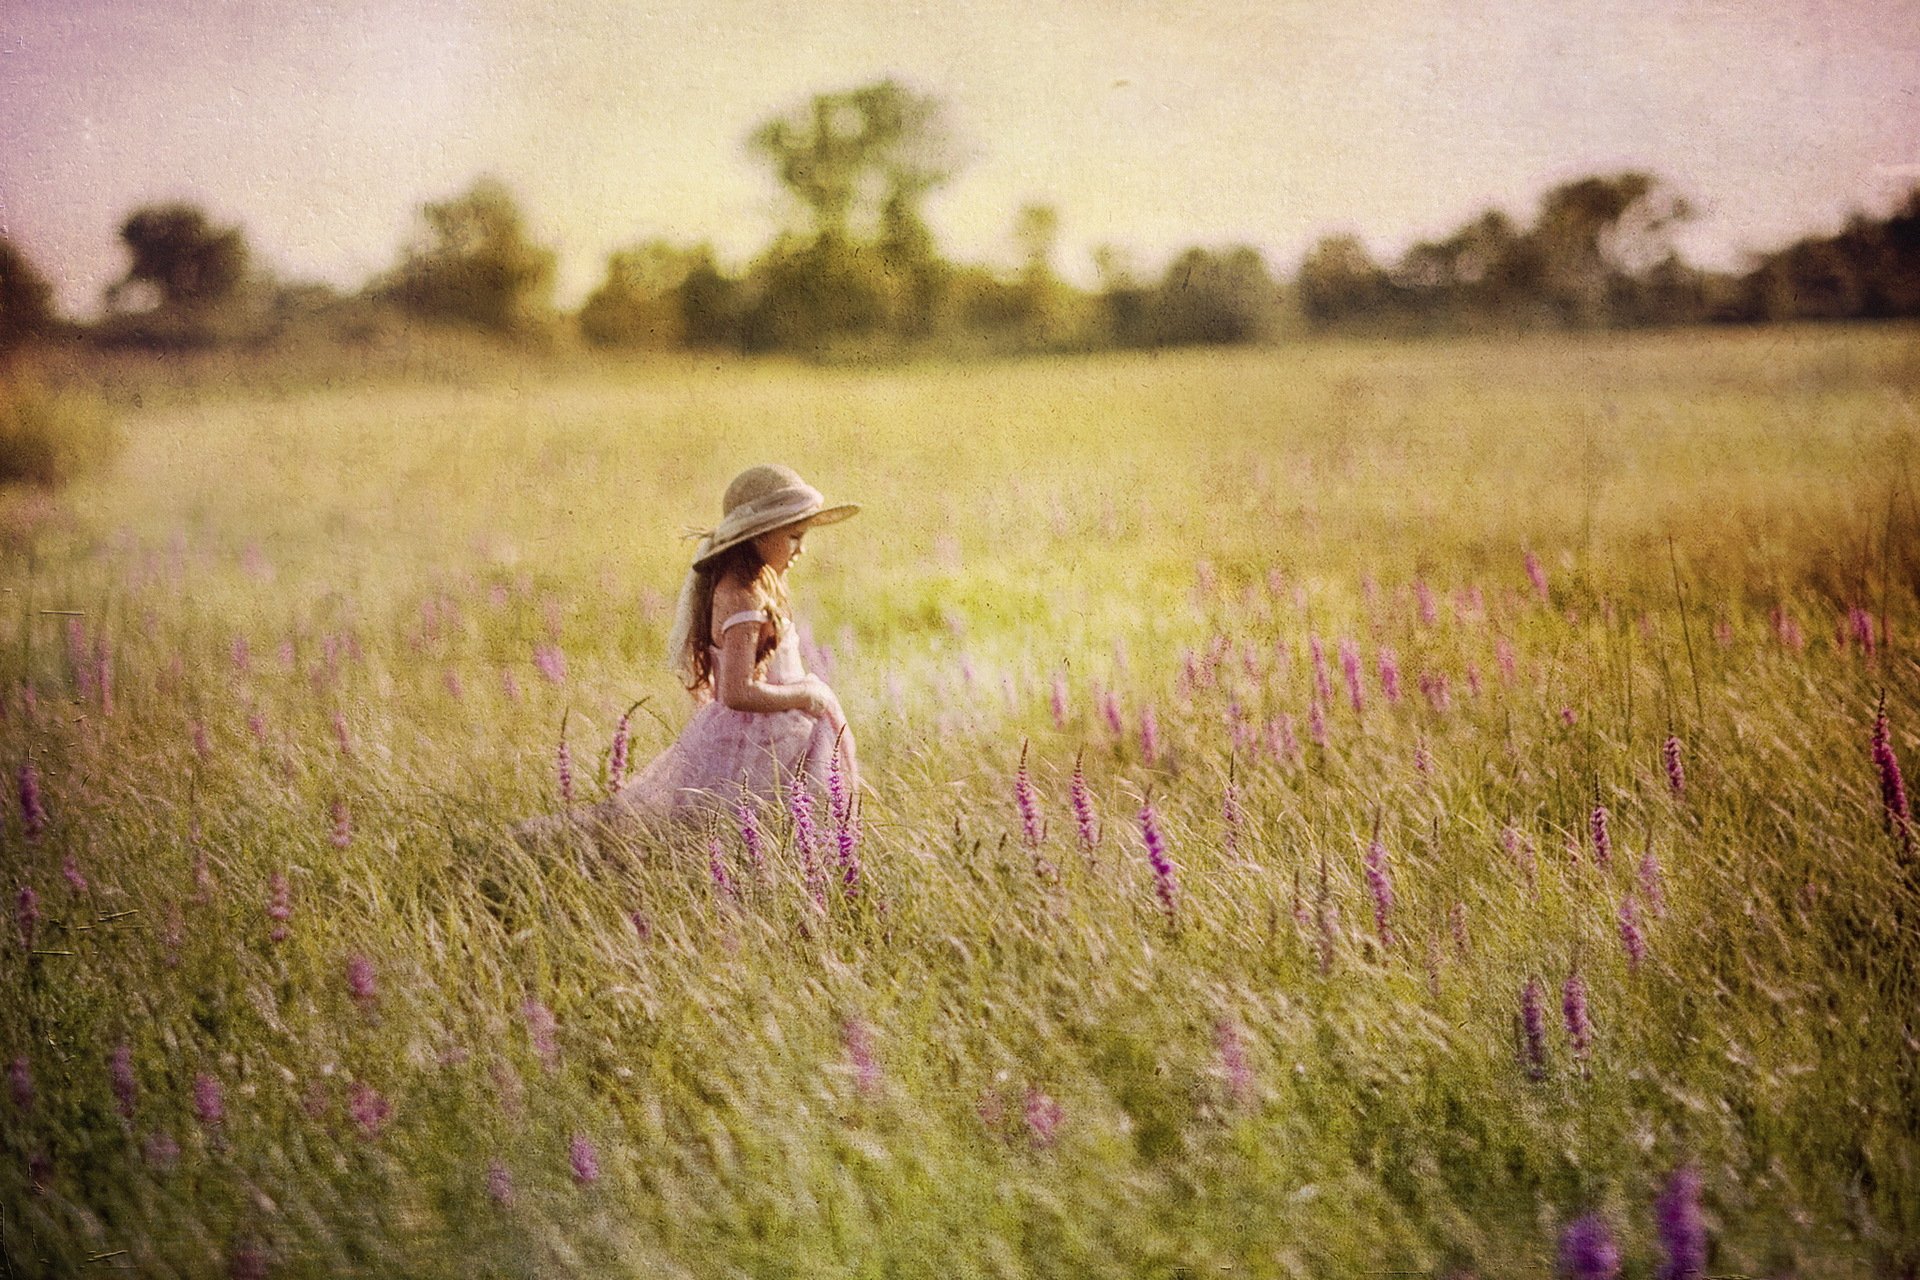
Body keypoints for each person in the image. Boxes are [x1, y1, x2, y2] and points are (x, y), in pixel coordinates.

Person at [513, 463, 859, 848]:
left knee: (770, 833)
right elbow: (736, 691)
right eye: (794, 536)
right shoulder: (742, 597)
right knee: (725, 833)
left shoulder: (754, 586)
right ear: (759, 535)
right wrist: (808, 695)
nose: (802, 549)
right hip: (757, 740)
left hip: (772, 736)